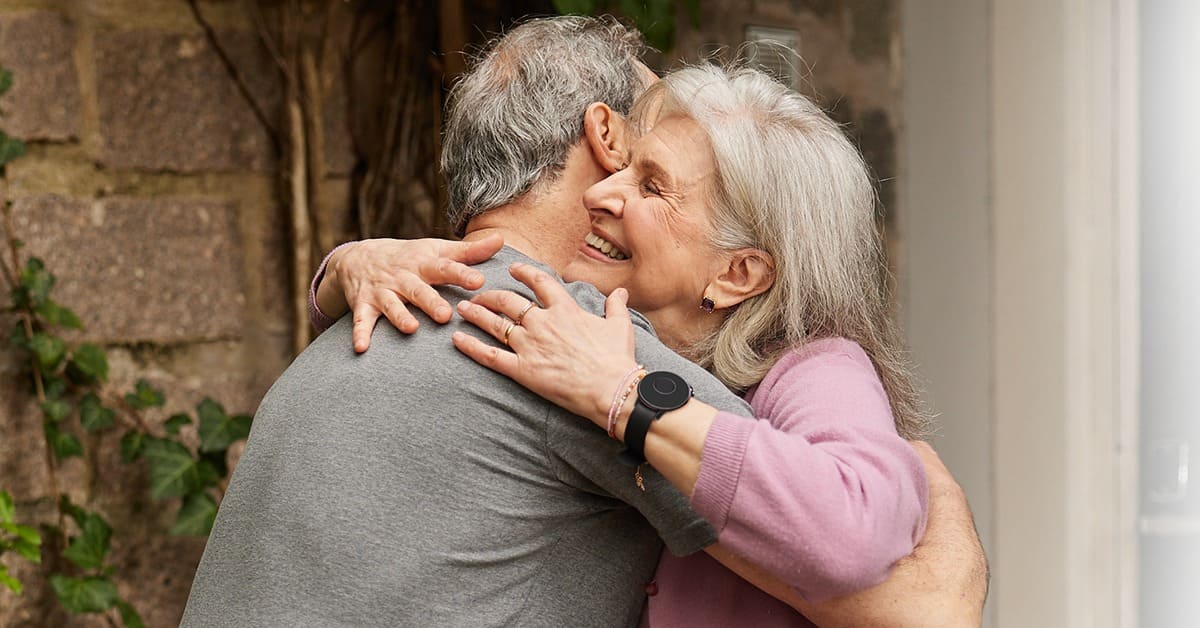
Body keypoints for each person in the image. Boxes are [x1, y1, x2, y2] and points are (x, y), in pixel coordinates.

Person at [308, 33, 987, 628]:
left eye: (652, 186)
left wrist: (625, 395)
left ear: (739, 274)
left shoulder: (815, 368)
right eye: (621, 167)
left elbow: (857, 535)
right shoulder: (608, 325)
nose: (601, 194)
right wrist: (345, 266)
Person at [183, 17, 751, 626]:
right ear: (608, 136)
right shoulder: (567, 337)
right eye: (653, 155)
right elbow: (835, 549)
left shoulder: (352, 330)